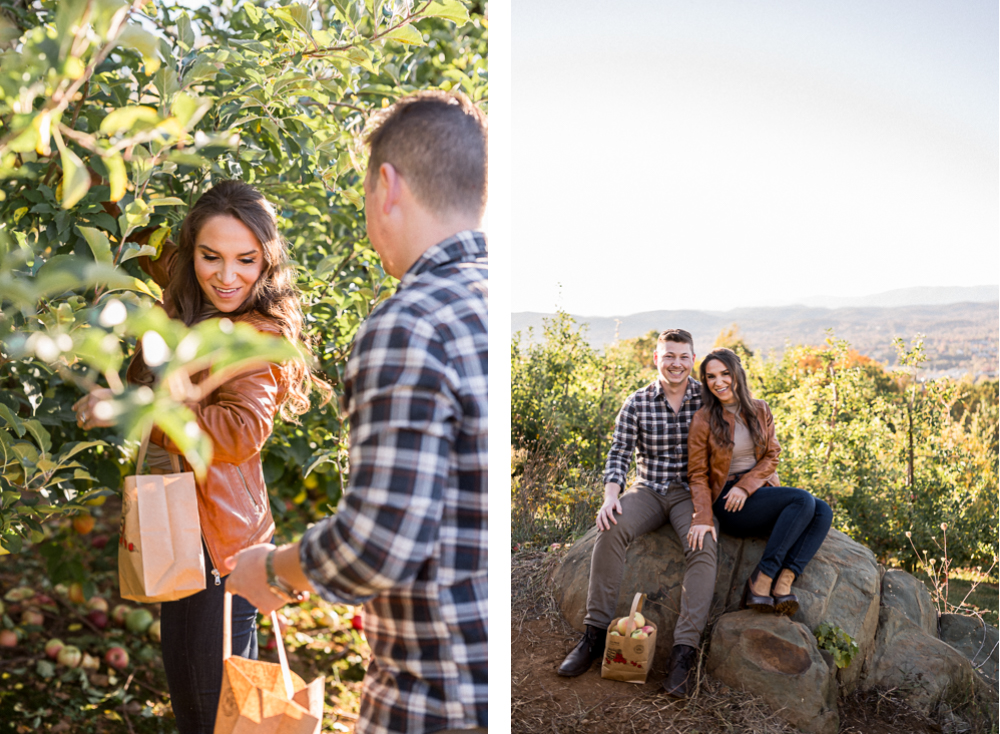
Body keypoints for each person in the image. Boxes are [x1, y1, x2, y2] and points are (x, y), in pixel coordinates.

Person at [224, 90, 488, 734]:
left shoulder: (411, 323)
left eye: (365, 193)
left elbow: (381, 542)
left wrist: (275, 570)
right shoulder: (490, 303)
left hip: (434, 698)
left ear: (387, 186)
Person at [73, 180, 327, 734]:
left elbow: (239, 432)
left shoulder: (252, 339)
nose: (228, 276)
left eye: (246, 260)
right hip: (214, 534)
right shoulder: (198, 299)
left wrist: (132, 406)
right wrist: (106, 176)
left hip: (211, 549)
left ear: (267, 260)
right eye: (211, 256)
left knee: (207, 715)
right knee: (227, 707)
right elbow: (143, 238)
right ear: (192, 253)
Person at [557, 329, 716, 699]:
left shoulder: (707, 399)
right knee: (610, 529)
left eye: (683, 356)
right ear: (656, 358)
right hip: (647, 489)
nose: (676, 363)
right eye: (669, 356)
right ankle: (594, 636)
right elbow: (619, 453)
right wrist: (611, 495)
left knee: (704, 546)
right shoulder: (637, 402)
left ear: (693, 360)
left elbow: (739, 432)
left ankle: (682, 655)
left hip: (690, 493)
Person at [687, 348, 832, 616]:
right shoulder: (704, 418)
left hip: (755, 493)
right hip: (728, 501)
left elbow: (772, 455)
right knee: (802, 500)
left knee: (822, 510)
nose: (718, 382)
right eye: (711, 377)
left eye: (725, 374)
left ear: (737, 374)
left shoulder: (760, 409)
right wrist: (703, 517)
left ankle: (785, 581)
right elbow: (696, 474)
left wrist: (747, 485)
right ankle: (761, 579)